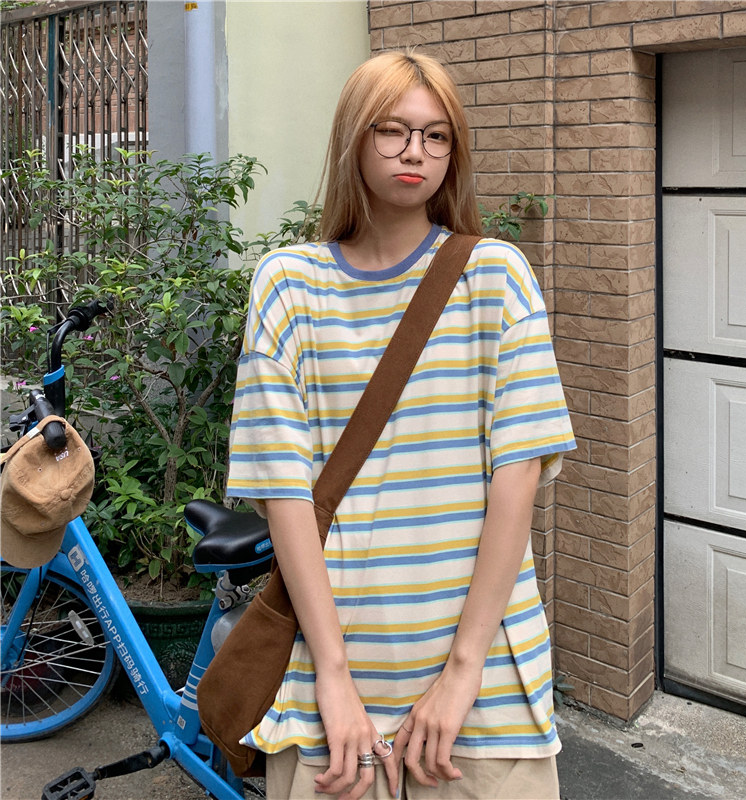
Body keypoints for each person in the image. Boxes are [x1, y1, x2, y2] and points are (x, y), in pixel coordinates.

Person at [227, 50, 576, 800]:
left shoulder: (496, 276)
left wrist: (463, 673)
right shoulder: (289, 284)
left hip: (487, 692)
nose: (415, 151)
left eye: (436, 135)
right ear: (352, 138)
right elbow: (284, 491)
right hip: (328, 695)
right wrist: (333, 676)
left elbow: (517, 475)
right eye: (391, 130)